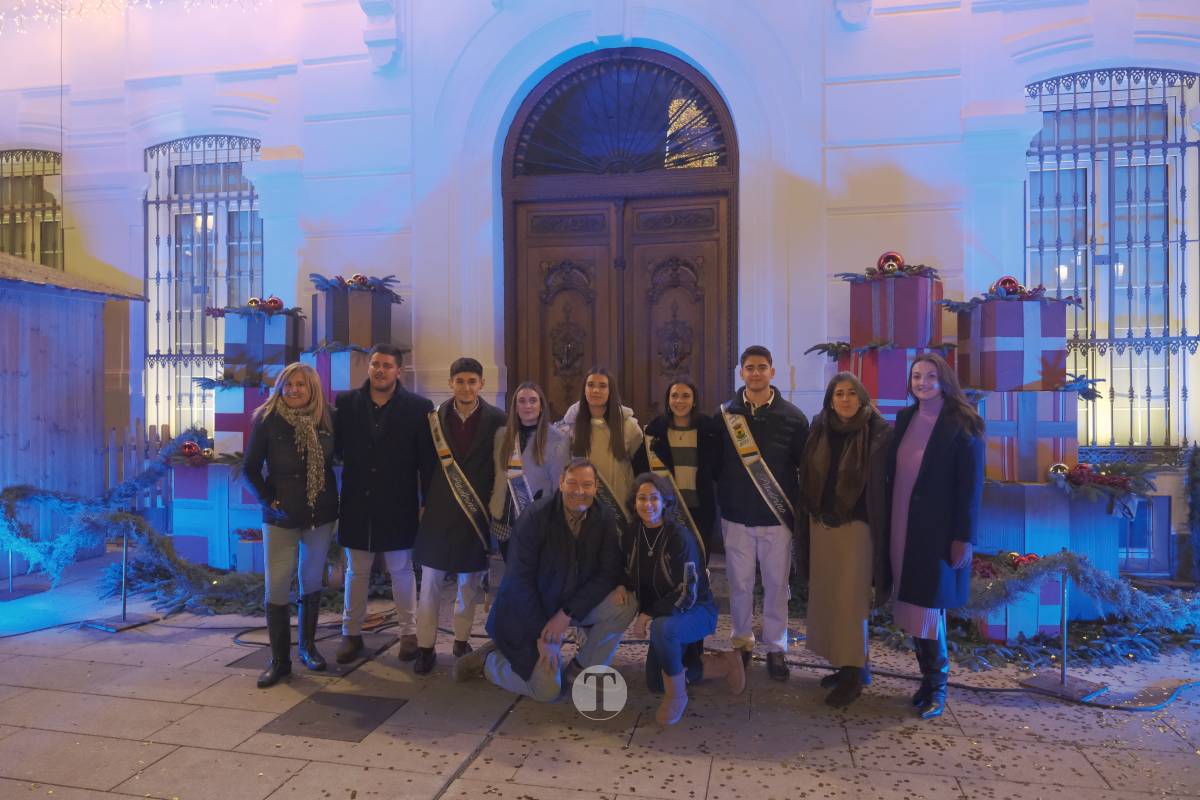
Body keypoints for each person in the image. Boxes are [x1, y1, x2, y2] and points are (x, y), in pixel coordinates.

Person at [452, 458, 637, 701]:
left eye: (586, 484)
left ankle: (581, 669)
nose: (579, 491)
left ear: (595, 488)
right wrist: (545, 635)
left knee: (625, 605)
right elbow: (519, 583)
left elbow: (607, 572)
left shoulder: (603, 517)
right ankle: (488, 662)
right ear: (561, 483)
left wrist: (566, 614)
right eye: (572, 483)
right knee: (548, 691)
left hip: (569, 604)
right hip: (528, 613)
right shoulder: (535, 517)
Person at [886, 353, 984, 720]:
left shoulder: (963, 423)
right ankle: (925, 681)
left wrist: (964, 537)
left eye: (930, 376)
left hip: (937, 531)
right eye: (916, 376)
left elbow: (971, 488)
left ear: (944, 380)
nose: (922, 383)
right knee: (913, 603)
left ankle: (938, 685)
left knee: (929, 607)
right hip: (902, 524)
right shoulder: (905, 418)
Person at [333, 344, 434, 666]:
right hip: (357, 502)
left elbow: (427, 461)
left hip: (399, 502)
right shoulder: (346, 403)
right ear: (369, 367)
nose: (380, 370)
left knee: (402, 571)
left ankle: (409, 634)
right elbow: (336, 450)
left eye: (387, 365)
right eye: (375, 364)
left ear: (398, 371)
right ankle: (351, 634)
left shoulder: (419, 407)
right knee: (356, 571)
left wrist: (426, 502)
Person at [797, 372, 892, 707]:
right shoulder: (820, 426)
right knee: (829, 598)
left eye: (852, 393)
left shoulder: (878, 431)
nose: (845, 399)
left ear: (862, 397)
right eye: (839, 393)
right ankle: (846, 664)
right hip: (821, 523)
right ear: (830, 399)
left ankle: (853, 676)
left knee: (851, 602)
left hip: (857, 526)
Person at [716, 345, 809, 681]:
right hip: (736, 516)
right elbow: (715, 465)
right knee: (740, 585)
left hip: (776, 519)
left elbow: (804, 466)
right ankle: (741, 643)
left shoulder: (793, 418)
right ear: (741, 372)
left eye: (761, 367)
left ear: (772, 371)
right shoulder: (725, 416)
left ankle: (776, 648)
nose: (755, 373)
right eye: (750, 368)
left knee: (776, 586)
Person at [243, 362, 339, 689]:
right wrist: (268, 500)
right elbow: (250, 468)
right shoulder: (267, 420)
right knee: (277, 584)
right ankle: (279, 661)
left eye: (300, 384)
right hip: (281, 516)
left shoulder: (328, 418)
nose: (294, 390)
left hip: (319, 513)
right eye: (288, 384)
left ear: (312, 388)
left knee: (311, 579)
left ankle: (308, 648)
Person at [625, 473, 744, 726]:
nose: (648, 504)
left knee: (662, 628)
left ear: (665, 502)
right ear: (634, 502)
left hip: (696, 610)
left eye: (654, 498)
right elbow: (626, 571)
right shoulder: (633, 533)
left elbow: (687, 592)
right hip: (665, 612)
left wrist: (646, 615)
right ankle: (725, 664)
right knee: (655, 683)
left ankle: (677, 696)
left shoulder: (679, 537)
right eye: (642, 498)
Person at [412, 357, 506, 674]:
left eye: (472, 381)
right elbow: (424, 464)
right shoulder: (434, 419)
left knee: (469, 584)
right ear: (451, 383)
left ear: (481, 384)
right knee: (430, 584)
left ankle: (461, 640)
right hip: (439, 510)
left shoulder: (498, 419)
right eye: (460, 381)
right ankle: (425, 647)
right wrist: (423, 502)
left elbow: (499, 468)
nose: (466, 387)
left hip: (474, 511)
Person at [633, 379, 721, 557]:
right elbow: (640, 470)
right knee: (666, 559)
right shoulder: (654, 432)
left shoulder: (709, 431)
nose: (679, 401)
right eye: (674, 396)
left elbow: (718, 469)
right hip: (665, 510)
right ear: (668, 400)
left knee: (697, 559)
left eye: (686, 396)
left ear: (694, 401)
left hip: (700, 508)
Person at [489, 381, 570, 561]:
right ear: (515, 407)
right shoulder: (502, 436)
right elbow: (497, 477)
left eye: (533, 401)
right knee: (511, 571)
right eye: (522, 401)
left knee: (532, 571)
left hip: (536, 521)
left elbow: (559, 486)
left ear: (541, 406)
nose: (527, 406)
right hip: (504, 522)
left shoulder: (557, 439)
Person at [558, 367, 642, 521]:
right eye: (590, 385)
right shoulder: (571, 427)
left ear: (611, 391)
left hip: (619, 505)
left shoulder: (629, 426)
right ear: (584, 390)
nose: (596, 390)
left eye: (602, 386)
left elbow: (639, 468)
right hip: (582, 505)